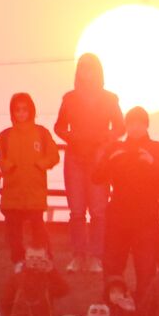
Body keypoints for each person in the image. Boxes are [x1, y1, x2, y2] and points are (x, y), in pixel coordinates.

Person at [54, 53, 124, 273]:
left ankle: (96, 256)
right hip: (75, 156)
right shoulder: (70, 98)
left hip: (99, 159)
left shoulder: (110, 98)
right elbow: (59, 127)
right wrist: (71, 137)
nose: (88, 72)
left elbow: (120, 127)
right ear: (78, 72)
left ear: (99, 71)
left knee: (98, 211)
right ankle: (78, 255)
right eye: (84, 68)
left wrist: (106, 139)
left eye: (92, 68)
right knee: (76, 211)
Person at [97, 107, 159, 292]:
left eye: (140, 123)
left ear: (146, 125)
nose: (135, 128)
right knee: (112, 266)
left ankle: (144, 312)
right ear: (126, 126)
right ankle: (112, 310)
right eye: (131, 123)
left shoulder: (158, 149)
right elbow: (96, 177)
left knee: (146, 269)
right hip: (118, 215)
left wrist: (153, 163)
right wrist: (109, 160)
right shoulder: (116, 148)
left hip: (147, 217)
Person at [0, 93, 58, 268]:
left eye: (25, 109)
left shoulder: (42, 133)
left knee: (39, 230)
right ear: (12, 112)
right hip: (12, 192)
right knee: (14, 234)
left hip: (34, 192)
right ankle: (18, 262)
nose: (21, 113)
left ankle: (44, 259)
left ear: (31, 111)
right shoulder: (5, 136)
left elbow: (53, 155)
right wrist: (6, 166)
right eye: (17, 110)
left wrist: (41, 164)